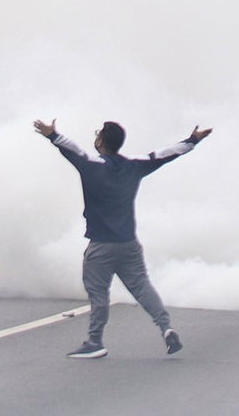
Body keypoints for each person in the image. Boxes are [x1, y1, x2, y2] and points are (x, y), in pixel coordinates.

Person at [32, 117, 210, 358]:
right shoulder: (134, 166)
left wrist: (52, 135)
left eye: (98, 134)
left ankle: (95, 342)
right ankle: (166, 328)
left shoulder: (91, 165)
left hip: (101, 246)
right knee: (142, 287)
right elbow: (165, 154)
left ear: (101, 141)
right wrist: (192, 141)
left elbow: (70, 149)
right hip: (129, 244)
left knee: (98, 293)